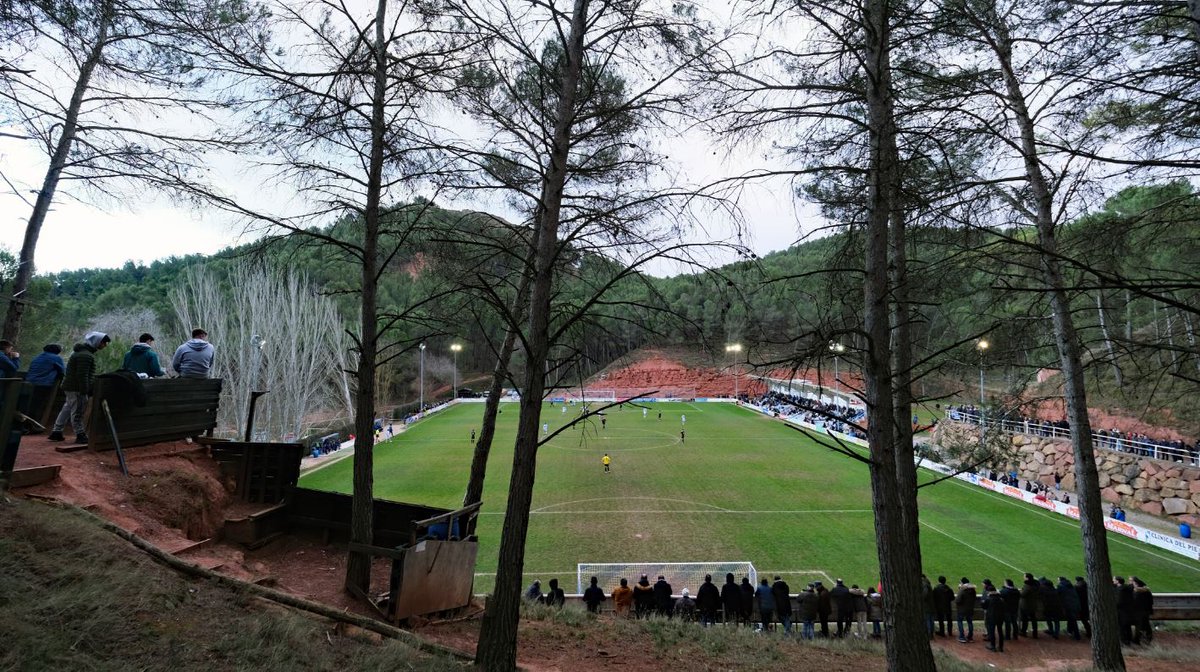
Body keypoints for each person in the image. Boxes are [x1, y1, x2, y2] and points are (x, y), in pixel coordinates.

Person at [48, 332, 110, 444]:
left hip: (70, 386)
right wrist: (85, 390)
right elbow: (82, 375)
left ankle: (56, 431)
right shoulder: (86, 356)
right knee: (78, 411)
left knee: (67, 408)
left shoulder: (81, 353)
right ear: (97, 342)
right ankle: (80, 434)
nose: (105, 345)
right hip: (77, 388)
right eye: (104, 342)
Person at [24, 343, 66, 424]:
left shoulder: (38, 357)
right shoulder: (56, 358)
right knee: (37, 406)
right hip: (42, 384)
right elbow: (62, 371)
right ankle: (32, 424)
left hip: (29, 382)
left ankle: (24, 424)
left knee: (28, 404)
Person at [981, 580, 1005, 652]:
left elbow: (984, 606)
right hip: (1000, 617)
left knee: (991, 631)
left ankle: (993, 645)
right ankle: (1001, 646)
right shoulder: (1001, 599)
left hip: (991, 617)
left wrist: (983, 602)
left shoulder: (988, 599)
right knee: (1000, 632)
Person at [1058, 576, 1081, 641]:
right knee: (1071, 619)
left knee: (1073, 620)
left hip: (1069, 605)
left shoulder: (1061, 586)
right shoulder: (1071, 586)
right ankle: (1070, 631)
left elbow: (1058, 594)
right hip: (1075, 605)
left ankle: (1077, 636)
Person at [1131, 577, 1153, 645]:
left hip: (1138, 611)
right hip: (1146, 611)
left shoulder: (1136, 593)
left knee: (1139, 626)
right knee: (1146, 625)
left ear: (1137, 584)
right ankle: (1148, 638)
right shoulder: (1147, 592)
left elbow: (1134, 602)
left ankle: (1136, 640)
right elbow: (1151, 602)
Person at [955, 577, 977, 643]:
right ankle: (970, 637)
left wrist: (959, 589)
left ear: (962, 583)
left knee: (960, 622)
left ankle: (962, 637)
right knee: (970, 622)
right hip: (970, 609)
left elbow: (957, 600)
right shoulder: (973, 590)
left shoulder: (962, 590)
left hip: (962, 609)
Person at [1114, 576, 1134, 645]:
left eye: (1114, 580)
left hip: (1121, 611)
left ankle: (1124, 641)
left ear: (1118, 581)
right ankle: (1128, 639)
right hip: (1127, 610)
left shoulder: (1120, 590)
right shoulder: (1126, 588)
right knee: (1127, 626)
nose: (1113, 581)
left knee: (1122, 626)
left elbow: (1119, 601)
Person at [1020, 573, 1040, 639]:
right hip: (1033, 604)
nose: (1023, 578)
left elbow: (1023, 594)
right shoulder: (1036, 585)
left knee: (1025, 619)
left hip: (1026, 605)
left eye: (1024, 577)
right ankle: (1035, 633)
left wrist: (1021, 591)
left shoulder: (1027, 586)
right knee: (1033, 619)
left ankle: (1023, 632)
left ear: (1027, 578)